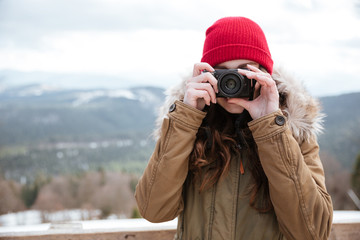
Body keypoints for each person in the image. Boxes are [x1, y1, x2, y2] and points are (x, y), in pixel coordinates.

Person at [135, 16, 333, 240]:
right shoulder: (191, 129)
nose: (231, 83)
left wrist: (271, 127)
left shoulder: (294, 133)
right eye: (222, 73)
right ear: (206, 75)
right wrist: (186, 117)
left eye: (243, 72)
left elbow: (313, 233)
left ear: (263, 74)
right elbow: (154, 210)